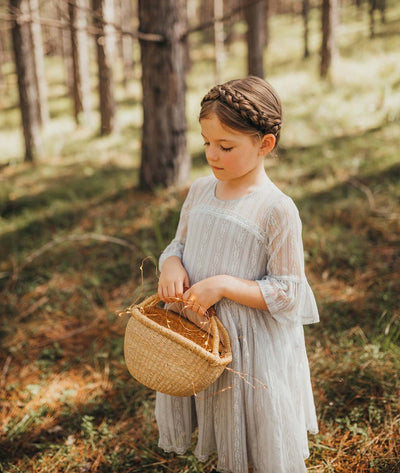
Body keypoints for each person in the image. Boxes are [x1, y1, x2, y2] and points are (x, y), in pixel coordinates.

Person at [156, 76, 319, 473]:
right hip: (198, 337)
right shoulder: (199, 191)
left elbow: (289, 292)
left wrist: (226, 284)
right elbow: (177, 244)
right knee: (214, 413)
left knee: (250, 433)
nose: (212, 154)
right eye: (206, 142)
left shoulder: (276, 209)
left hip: (249, 349)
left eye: (226, 146)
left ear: (265, 145)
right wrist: (171, 264)